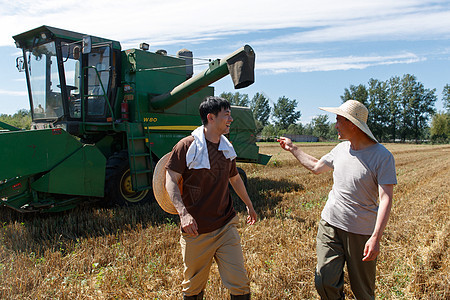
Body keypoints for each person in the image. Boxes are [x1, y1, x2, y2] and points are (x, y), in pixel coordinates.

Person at [278, 100, 397, 299]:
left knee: (363, 292)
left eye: (338, 120)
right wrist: (293, 148)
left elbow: (386, 199)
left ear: (352, 123)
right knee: (324, 280)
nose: (335, 125)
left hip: (361, 232)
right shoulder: (341, 149)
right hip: (330, 224)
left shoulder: (382, 157)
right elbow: (316, 167)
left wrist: (376, 237)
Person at [165, 96, 257, 300]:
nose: (231, 119)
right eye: (227, 115)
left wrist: (249, 205)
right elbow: (170, 179)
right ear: (211, 117)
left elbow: (234, 178)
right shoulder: (187, 146)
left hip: (226, 225)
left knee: (240, 284)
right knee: (193, 289)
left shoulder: (226, 148)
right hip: (196, 231)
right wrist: (183, 214)